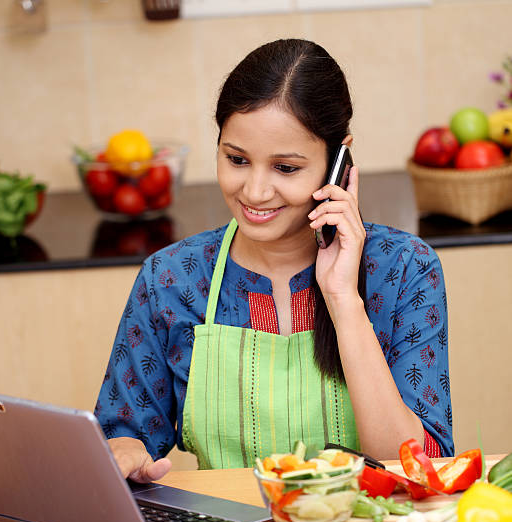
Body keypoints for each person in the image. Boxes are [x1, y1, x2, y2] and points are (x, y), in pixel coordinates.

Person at [95, 39, 453, 483]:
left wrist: (343, 300)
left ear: (338, 162)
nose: (255, 191)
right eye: (237, 159)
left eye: (286, 168)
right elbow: (125, 433)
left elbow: (418, 468)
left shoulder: (403, 269)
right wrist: (125, 452)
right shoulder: (171, 278)